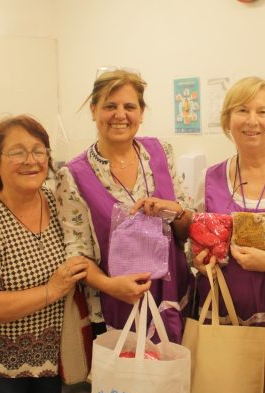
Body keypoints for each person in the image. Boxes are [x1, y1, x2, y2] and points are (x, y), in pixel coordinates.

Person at [55, 69, 193, 343]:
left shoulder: (161, 154)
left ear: (141, 114)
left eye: (129, 106)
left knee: (176, 381)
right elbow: (77, 254)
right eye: (110, 106)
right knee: (129, 385)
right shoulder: (73, 175)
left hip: (174, 299)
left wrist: (175, 210)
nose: (120, 115)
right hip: (116, 306)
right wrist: (111, 286)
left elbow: (187, 228)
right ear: (94, 111)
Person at [0, 115, 89, 393]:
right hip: (0, 362)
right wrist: (51, 290)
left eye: (39, 150)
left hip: (51, 355)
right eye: (17, 152)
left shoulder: (59, 203)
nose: (31, 160)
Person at [191, 76, 265, 326]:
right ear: (228, 119)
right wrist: (200, 262)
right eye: (242, 110)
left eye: (263, 111)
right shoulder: (209, 179)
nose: (252, 121)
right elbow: (198, 245)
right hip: (224, 321)